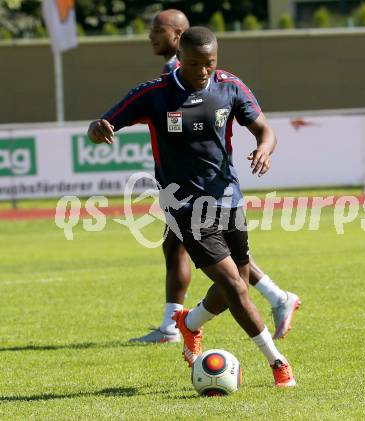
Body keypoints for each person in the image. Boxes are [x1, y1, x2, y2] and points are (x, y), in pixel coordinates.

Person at [88, 26, 297, 387]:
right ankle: (278, 364)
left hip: (229, 198)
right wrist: (97, 127)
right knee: (235, 285)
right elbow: (104, 122)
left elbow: (265, 129)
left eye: (210, 63)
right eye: (196, 63)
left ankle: (189, 322)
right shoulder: (154, 94)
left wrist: (264, 147)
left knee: (241, 279)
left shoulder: (230, 86)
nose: (204, 71)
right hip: (184, 206)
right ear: (180, 59)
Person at [130, 9, 301, 344]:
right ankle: (176, 322)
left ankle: (272, 297)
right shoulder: (179, 72)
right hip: (187, 188)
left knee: (219, 260)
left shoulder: (180, 72)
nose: (151, 35)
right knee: (179, 248)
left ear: (177, 37)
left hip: (198, 188)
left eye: (157, 29)